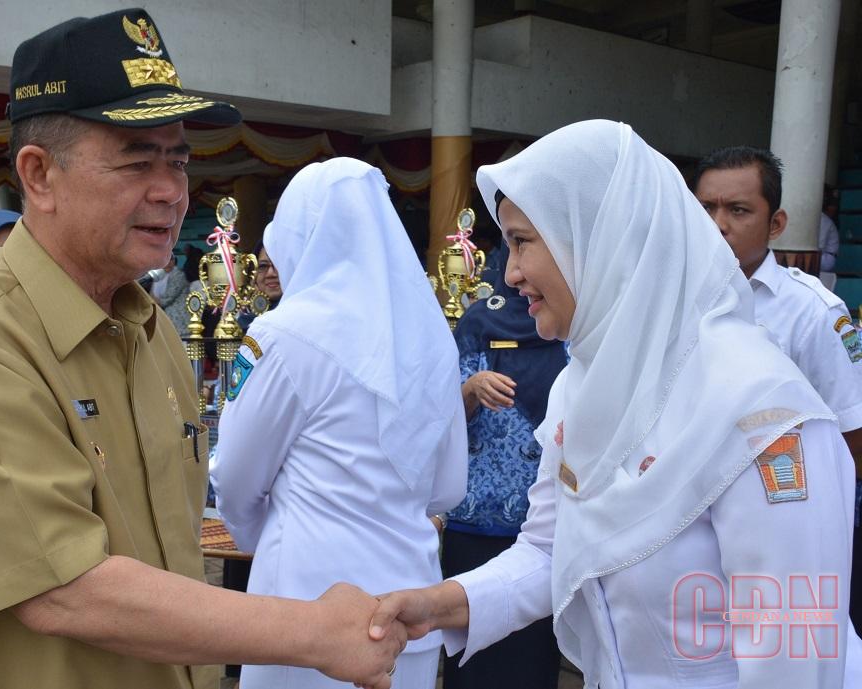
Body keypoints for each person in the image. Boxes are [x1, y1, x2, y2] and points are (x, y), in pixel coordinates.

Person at [0, 10, 405, 689]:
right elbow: (63, 587)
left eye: (177, 159)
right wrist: (314, 631)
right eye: (136, 159)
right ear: (38, 175)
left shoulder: (148, 329)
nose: (171, 190)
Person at [366, 120, 862, 689]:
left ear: (599, 243)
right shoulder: (583, 385)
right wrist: (436, 607)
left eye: (524, 241)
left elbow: (794, 667)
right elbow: (553, 552)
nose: (511, 273)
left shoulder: (766, 419)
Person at [210, 158, 469, 689]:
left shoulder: (282, 335)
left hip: (303, 613)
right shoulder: (431, 340)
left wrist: (272, 534)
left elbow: (235, 479)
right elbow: (448, 488)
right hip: (409, 612)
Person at [692, 146, 862, 638]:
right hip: (688, 520)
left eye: (738, 210)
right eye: (706, 208)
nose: (718, 224)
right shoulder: (673, 302)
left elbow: (852, 436)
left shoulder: (813, 312)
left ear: (776, 223)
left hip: (782, 530)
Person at [442, 243, 566, 689]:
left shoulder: (568, 321)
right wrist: (472, 387)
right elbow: (440, 417)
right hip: (475, 518)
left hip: (544, 523)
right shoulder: (478, 322)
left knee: (531, 660)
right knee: (471, 657)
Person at [157, 254, 194, 338]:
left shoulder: (178, 275)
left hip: (180, 321)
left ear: (173, 261)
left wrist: (152, 300)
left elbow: (167, 299)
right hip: (168, 319)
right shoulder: (160, 276)